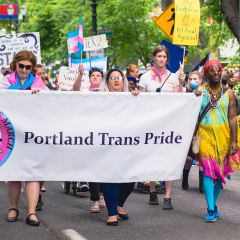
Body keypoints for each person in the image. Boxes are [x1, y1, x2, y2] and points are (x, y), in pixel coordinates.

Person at [0, 50, 47, 226]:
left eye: (28, 67)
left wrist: (40, 93)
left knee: (32, 172)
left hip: (33, 133)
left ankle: (32, 212)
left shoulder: (38, 81)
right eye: (22, 66)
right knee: (13, 173)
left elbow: (52, 101)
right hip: (11, 134)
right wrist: (19, 91)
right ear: (15, 64)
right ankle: (13, 207)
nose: (25, 70)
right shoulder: (5, 81)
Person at [138, 45, 184, 209]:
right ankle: (152, 189)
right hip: (151, 123)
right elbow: (140, 100)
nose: (161, 59)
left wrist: (180, 83)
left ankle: (168, 196)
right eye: (159, 56)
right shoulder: (145, 77)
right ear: (154, 57)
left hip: (169, 123)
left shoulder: (173, 77)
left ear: (167, 59)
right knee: (152, 156)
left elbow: (179, 100)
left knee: (169, 157)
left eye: (164, 57)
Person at [198, 59, 239, 222]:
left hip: (224, 138)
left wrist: (234, 141)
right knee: (208, 170)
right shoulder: (199, 92)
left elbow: (232, 118)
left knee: (220, 174)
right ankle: (210, 208)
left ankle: (213, 205)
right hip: (205, 137)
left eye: (218, 70)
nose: (215, 72)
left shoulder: (229, 93)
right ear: (206, 74)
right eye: (211, 70)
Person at [99, 69, 138, 226]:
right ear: (107, 81)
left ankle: (119, 203)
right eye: (113, 78)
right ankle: (112, 213)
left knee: (130, 180)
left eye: (119, 78)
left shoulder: (132, 97)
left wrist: (138, 99)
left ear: (123, 81)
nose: (116, 80)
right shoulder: (99, 98)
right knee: (110, 177)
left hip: (127, 144)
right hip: (106, 144)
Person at [73, 64, 106, 213]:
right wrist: (80, 75)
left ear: (102, 78)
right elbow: (75, 91)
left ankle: (102, 195)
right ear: (89, 78)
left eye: (98, 75)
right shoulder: (85, 91)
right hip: (89, 133)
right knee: (93, 167)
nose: (95, 77)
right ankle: (94, 200)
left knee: (105, 167)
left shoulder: (108, 92)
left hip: (105, 133)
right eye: (93, 75)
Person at [182, 71, 205, 192]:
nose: (192, 80)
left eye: (195, 78)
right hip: (188, 129)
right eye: (190, 78)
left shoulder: (205, 93)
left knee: (201, 155)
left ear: (201, 80)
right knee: (188, 158)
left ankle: (202, 184)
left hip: (201, 129)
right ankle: (185, 179)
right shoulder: (185, 93)